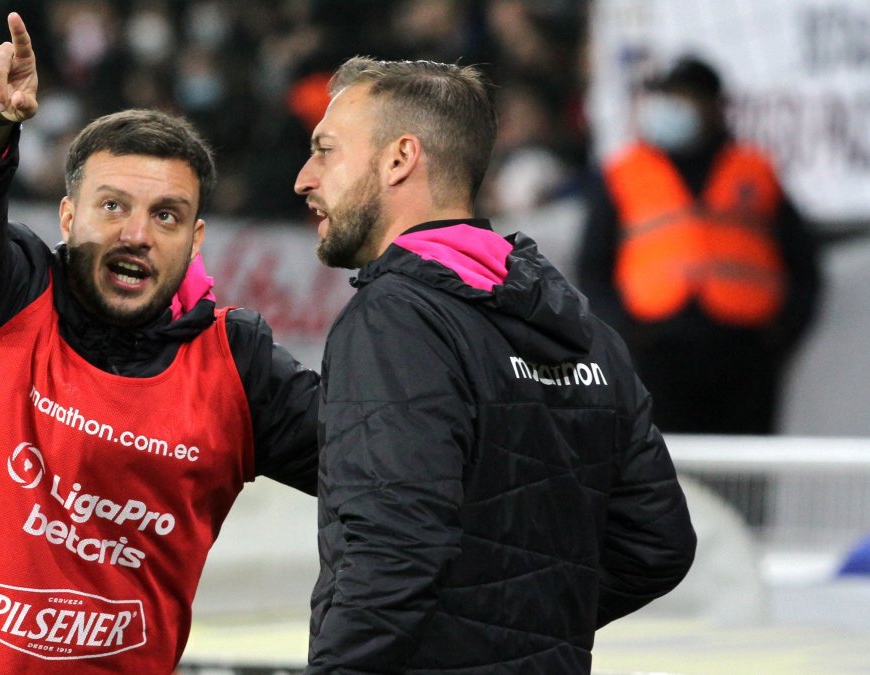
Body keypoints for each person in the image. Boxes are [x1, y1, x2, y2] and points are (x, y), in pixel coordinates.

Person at [0, 13, 318, 674]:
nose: (137, 234)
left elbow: (384, 467)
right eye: (113, 206)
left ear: (197, 238)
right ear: (68, 216)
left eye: (166, 215)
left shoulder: (239, 365)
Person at [293, 56, 696, 673]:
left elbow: (396, 550)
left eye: (325, 150)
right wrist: (520, 626)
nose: (304, 178)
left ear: (399, 159)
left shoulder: (396, 317)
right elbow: (658, 542)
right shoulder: (585, 331)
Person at [578, 55, 822, 435]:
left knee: (744, 477)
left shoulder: (755, 171)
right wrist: (624, 336)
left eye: (684, 98)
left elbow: (804, 266)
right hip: (656, 353)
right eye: (667, 97)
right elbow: (593, 269)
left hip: (744, 355)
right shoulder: (625, 173)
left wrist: (780, 335)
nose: (672, 109)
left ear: (715, 105)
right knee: (664, 473)